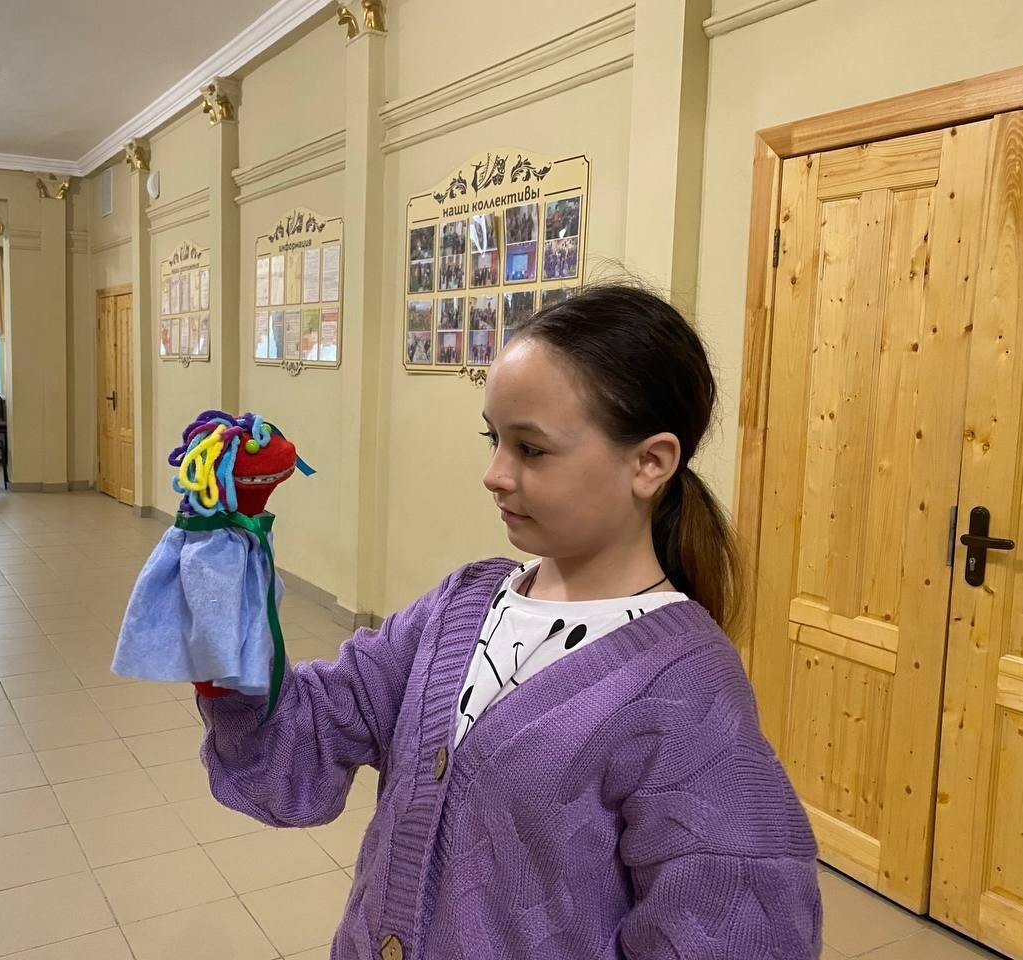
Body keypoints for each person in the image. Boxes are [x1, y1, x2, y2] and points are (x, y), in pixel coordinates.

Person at [199, 283, 823, 959]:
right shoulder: (460, 605)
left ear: (650, 463)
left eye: (531, 449)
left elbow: (736, 928)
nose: (495, 474)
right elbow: (306, 734)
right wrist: (226, 628)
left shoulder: (687, 689)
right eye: (493, 439)